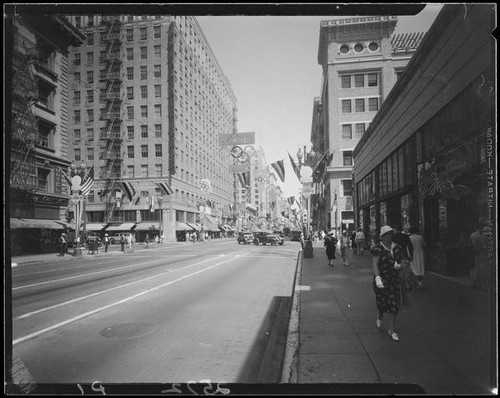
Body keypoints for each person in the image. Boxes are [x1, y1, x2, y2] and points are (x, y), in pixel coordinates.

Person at [371, 225, 405, 342]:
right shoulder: (378, 249)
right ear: (382, 236)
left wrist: (399, 266)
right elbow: (375, 264)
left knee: (394, 304)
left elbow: (401, 260)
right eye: (386, 234)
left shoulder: (397, 248)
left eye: (390, 233)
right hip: (382, 279)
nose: (389, 236)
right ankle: (380, 315)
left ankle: (392, 329)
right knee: (382, 302)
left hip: (394, 280)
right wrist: (377, 277)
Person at [470, 222, 490, 291]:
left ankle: (477, 284)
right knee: (484, 270)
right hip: (483, 254)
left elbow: (474, 247)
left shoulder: (474, 236)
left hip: (478, 254)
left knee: (478, 269)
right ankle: (484, 286)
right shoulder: (487, 237)